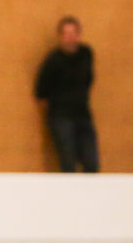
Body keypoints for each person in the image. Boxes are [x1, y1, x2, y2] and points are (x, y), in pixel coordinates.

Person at [34, 16, 99, 173]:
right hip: (61, 116)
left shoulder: (86, 54)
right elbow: (41, 92)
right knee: (68, 162)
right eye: (66, 34)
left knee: (92, 162)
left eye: (73, 33)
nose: (70, 37)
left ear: (78, 35)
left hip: (82, 113)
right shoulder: (53, 61)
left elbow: (89, 79)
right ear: (60, 36)